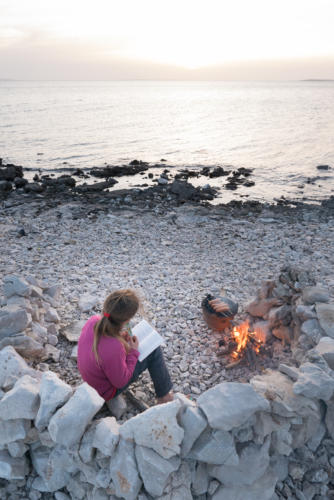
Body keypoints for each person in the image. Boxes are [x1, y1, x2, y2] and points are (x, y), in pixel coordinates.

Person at [77, 289, 173, 417]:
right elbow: (120, 382)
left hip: (91, 380)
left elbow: (104, 345)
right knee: (154, 350)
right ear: (126, 320)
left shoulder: (94, 320)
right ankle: (164, 397)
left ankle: (164, 395)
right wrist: (133, 352)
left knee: (133, 350)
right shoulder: (114, 346)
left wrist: (120, 336)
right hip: (104, 391)